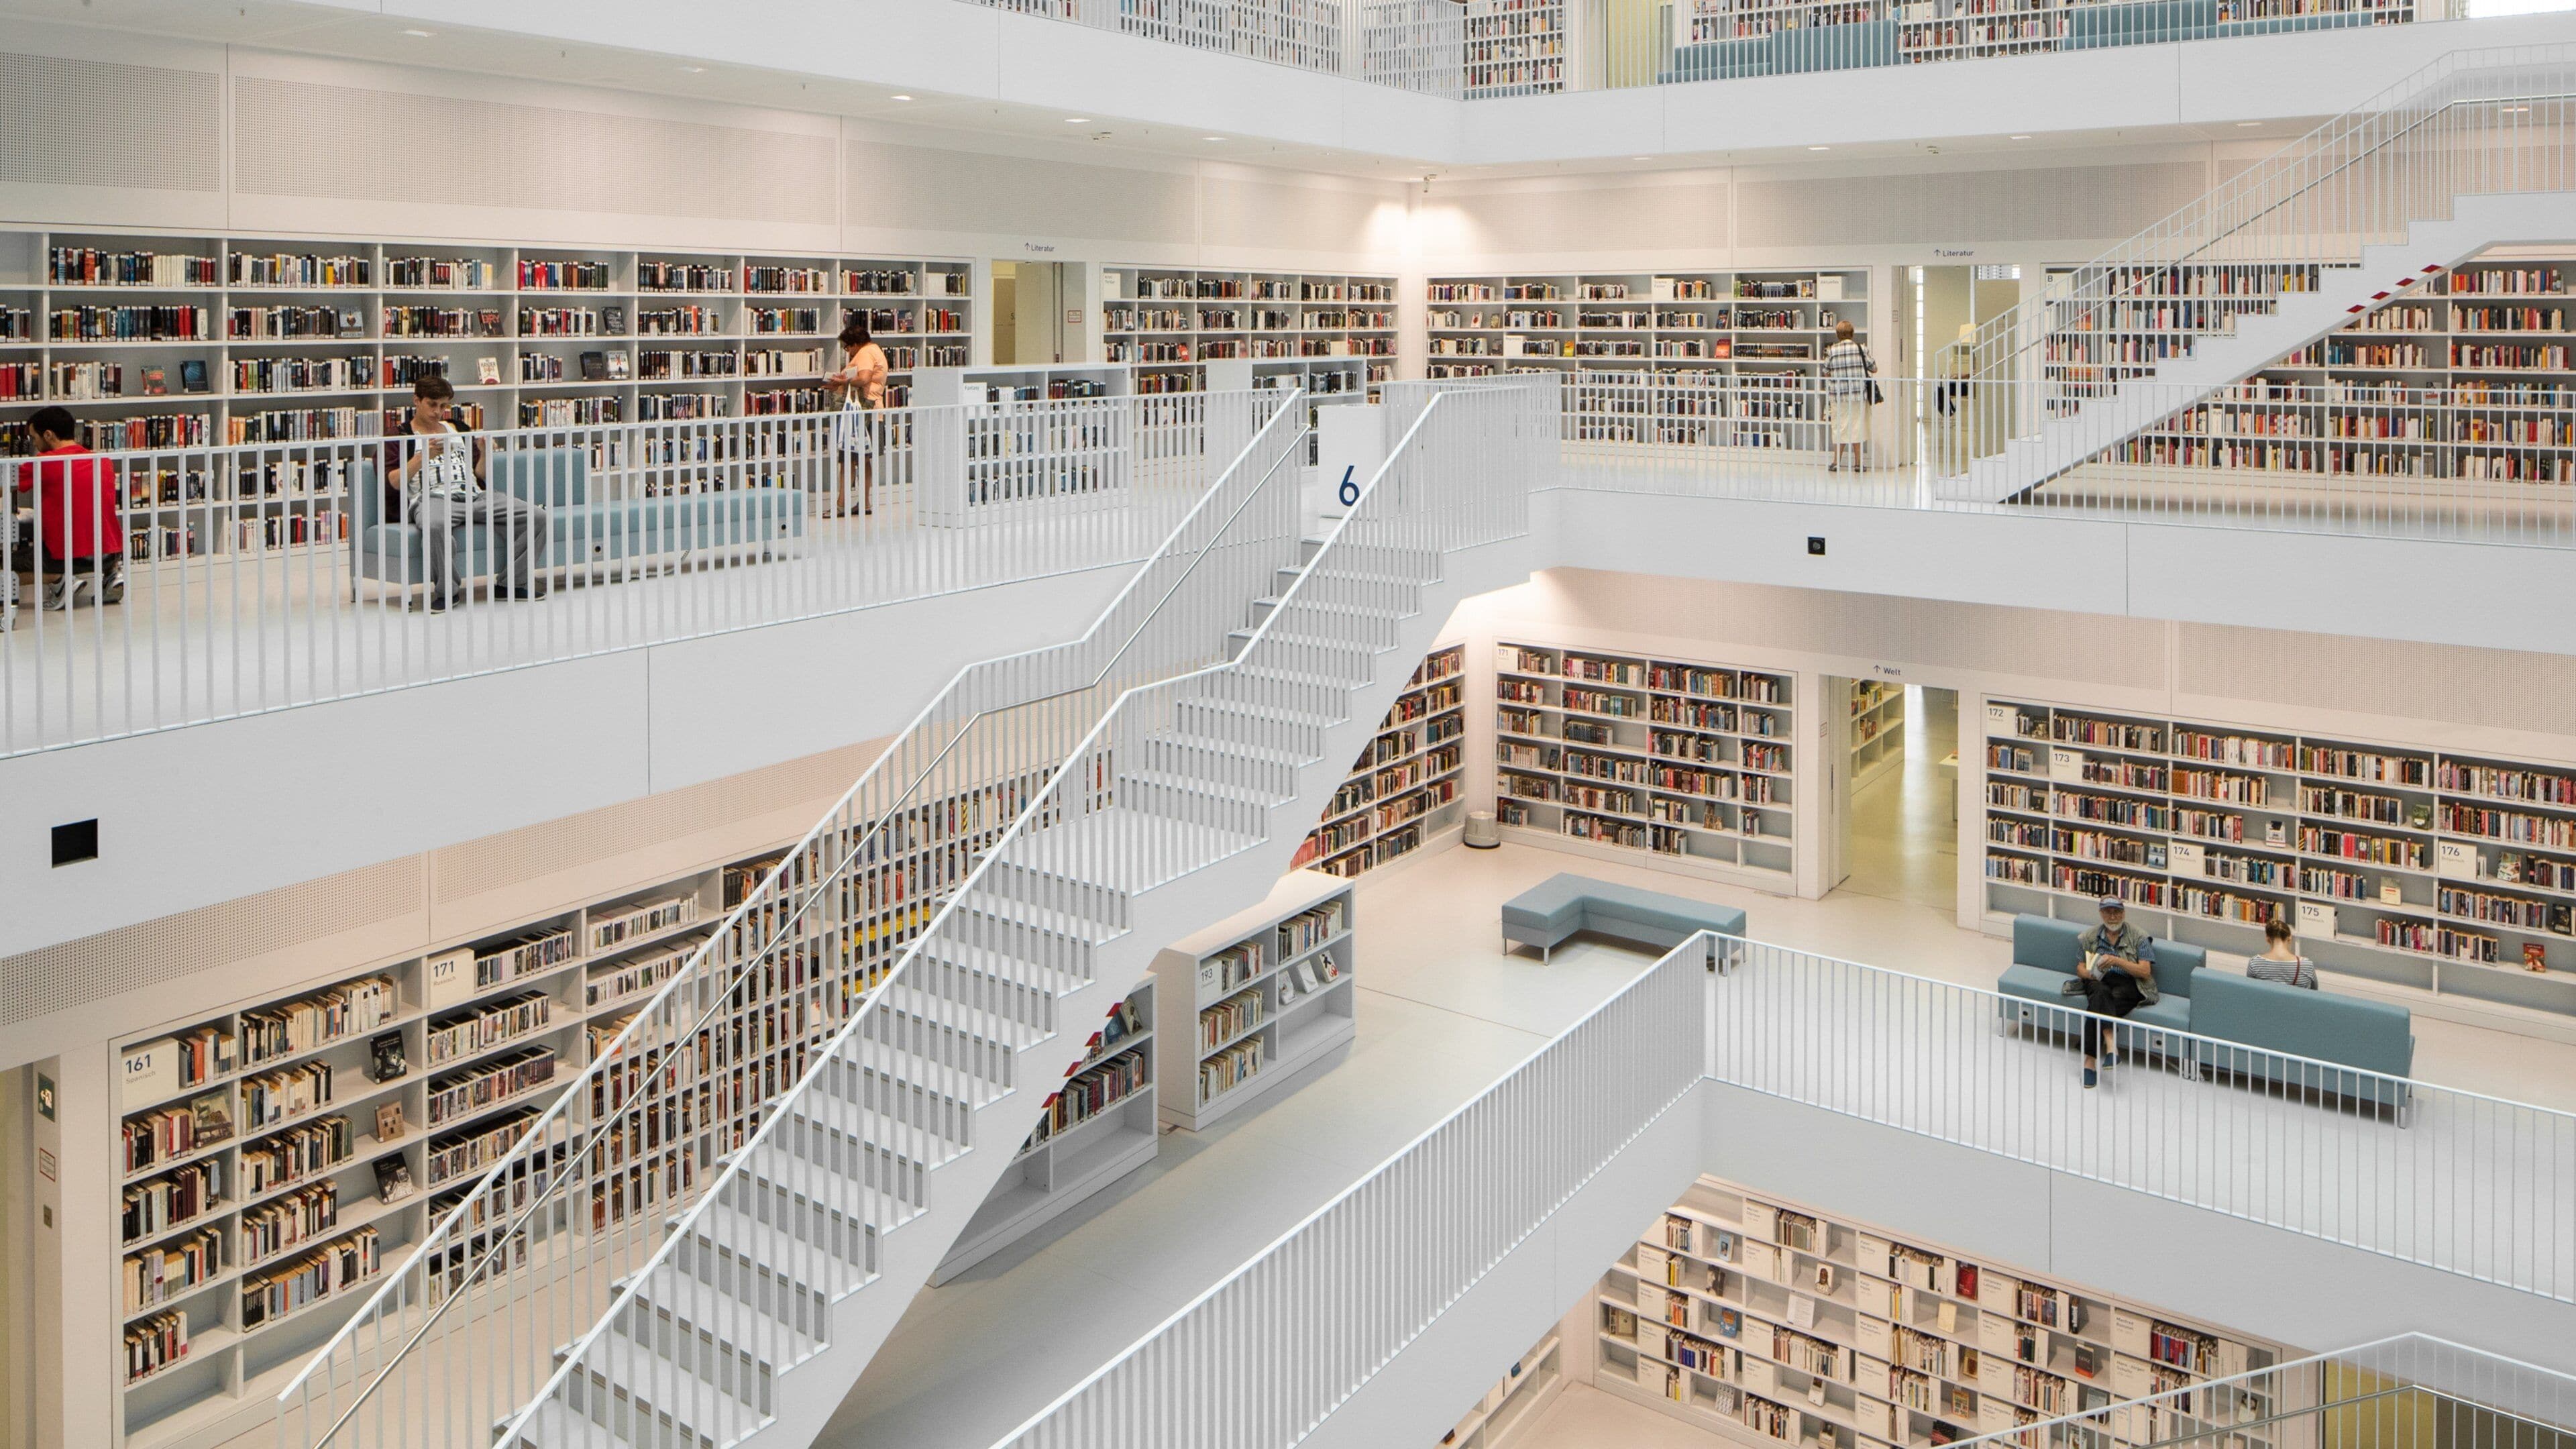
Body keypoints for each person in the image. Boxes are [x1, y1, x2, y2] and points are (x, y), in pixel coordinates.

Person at [392, 376, 548, 612]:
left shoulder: (458, 429)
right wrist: (423, 457)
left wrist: (484, 452)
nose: (438, 412)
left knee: (536, 516)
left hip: (475, 495)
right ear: (417, 401)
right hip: (433, 496)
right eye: (432, 404)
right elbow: (394, 481)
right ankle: (447, 592)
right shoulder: (400, 435)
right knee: (434, 525)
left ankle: (512, 584)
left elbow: (480, 474)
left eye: (444, 406)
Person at [13, 405, 125, 608]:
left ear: (48, 435)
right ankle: (112, 576)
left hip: (69, 557)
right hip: (109, 553)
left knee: (5, 565)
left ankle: (61, 580)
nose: (34, 445)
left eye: (34, 438)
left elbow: (6, 483)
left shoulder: (44, 462)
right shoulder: (102, 461)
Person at [2073, 897, 2155, 1089]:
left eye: (2117, 912)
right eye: (2108, 912)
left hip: (2131, 984)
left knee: (2098, 1004)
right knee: (2099, 991)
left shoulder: (2139, 936)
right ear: (2101, 914)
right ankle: (2110, 1046)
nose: (2113, 917)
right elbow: (2079, 968)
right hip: (2100, 982)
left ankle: (2090, 1062)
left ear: (2124, 913)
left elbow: (2145, 972)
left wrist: (2117, 961)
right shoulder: (2089, 936)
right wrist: (2090, 974)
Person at [823, 312, 889, 518]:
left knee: (848, 459)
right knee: (864, 460)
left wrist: (842, 382)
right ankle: (865, 503)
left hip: (860, 414)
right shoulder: (875, 350)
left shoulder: (865, 353)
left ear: (855, 343)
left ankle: (841, 504)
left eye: (847, 347)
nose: (847, 351)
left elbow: (863, 378)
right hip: (874, 410)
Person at [1821, 319, 1876, 474]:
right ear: (1852, 333)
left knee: (1839, 428)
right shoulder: (1861, 349)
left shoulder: (1832, 350)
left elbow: (1825, 371)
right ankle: (1858, 463)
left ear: (1838, 334)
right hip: (1858, 395)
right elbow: (1874, 368)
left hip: (1839, 396)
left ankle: (1836, 463)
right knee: (1857, 428)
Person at [2247, 918, 2318, 989]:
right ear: (2290, 938)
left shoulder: (2255, 963)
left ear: (2268, 939)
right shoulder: (2307, 965)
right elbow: (2314, 994)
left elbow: (2250, 992)